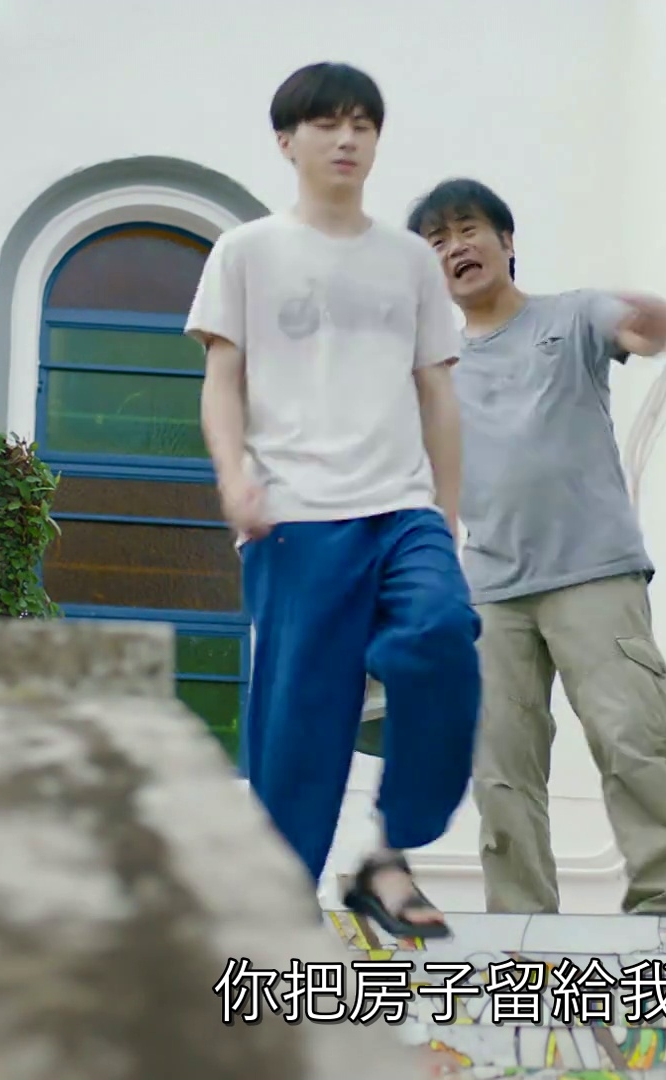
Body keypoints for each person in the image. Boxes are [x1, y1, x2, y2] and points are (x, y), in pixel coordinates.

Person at [186, 63, 480, 939]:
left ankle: (389, 853)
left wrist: (446, 514)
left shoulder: (410, 261)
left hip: (402, 509)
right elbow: (222, 378)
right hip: (294, 514)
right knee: (301, 721)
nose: (347, 139)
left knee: (440, 636)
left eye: (363, 124)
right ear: (288, 141)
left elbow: (437, 392)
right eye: (327, 124)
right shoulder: (246, 250)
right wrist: (233, 476)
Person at [405, 178, 666, 915]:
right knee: (499, 767)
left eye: (467, 229)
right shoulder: (433, 370)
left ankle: (658, 912)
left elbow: (639, 331)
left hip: (593, 571)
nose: (454, 248)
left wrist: (650, 320)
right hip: (490, 590)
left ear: (506, 241)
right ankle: (521, 929)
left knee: (632, 737)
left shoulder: (571, 316)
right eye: (436, 242)